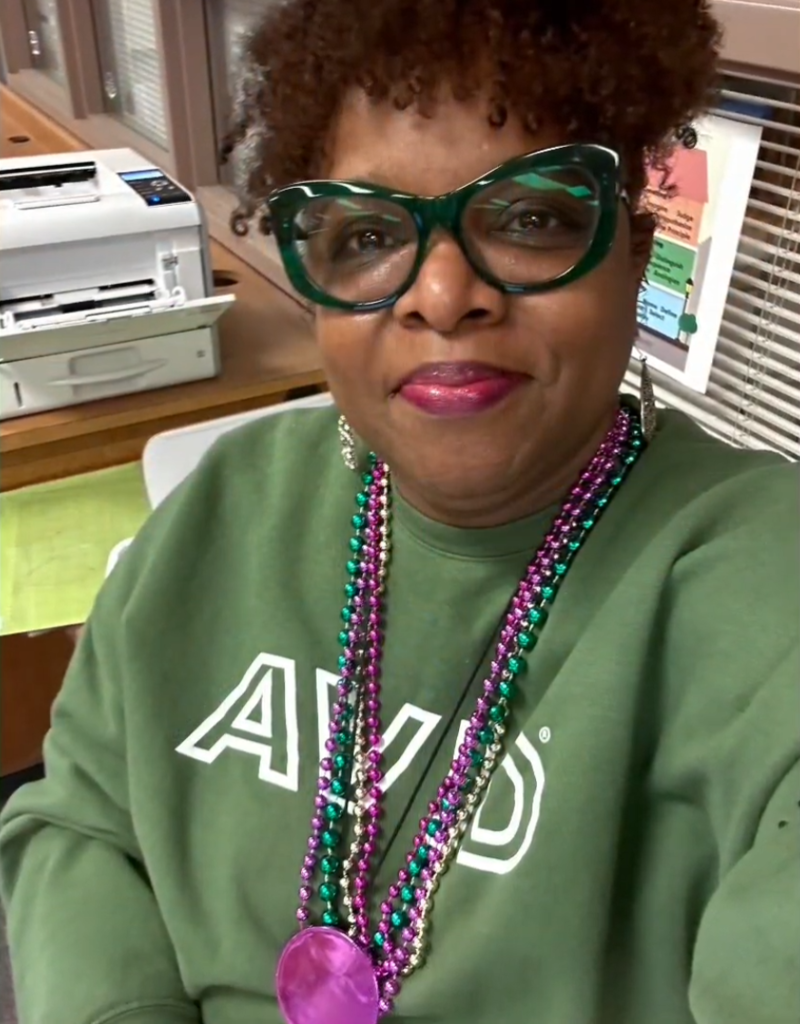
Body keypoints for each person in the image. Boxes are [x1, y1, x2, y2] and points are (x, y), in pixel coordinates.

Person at [1, 2, 798, 1023]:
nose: (439, 293)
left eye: (525, 217)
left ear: (630, 254)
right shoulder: (226, 507)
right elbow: (82, 819)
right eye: (367, 234)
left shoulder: (756, 591)